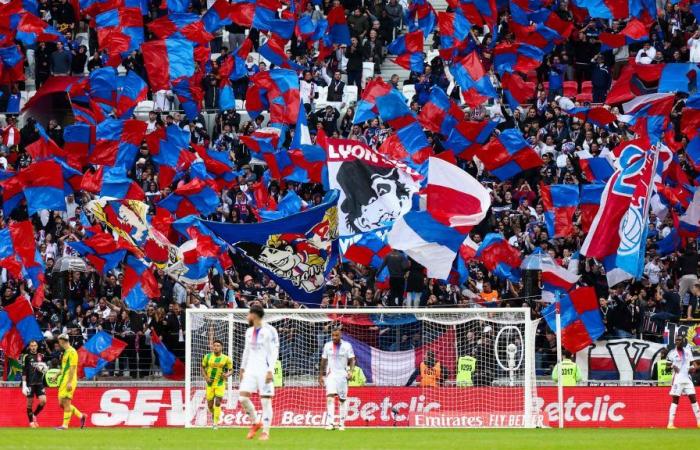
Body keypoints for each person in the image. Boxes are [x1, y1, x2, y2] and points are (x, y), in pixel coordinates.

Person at [238, 302, 279, 441]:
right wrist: (242, 368)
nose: (247, 316)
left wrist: (270, 370)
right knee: (242, 398)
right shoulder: (249, 331)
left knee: (266, 402)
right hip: (250, 369)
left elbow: (274, 352)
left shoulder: (270, 331)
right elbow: (246, 351)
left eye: (249, 313)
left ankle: (265, 432)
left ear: (254, 315)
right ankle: (256, 422)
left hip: (264, 369)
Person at [319, 327, 356, 431]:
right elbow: (323, 360)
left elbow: (352, 359)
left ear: (341, 335)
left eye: (336, 335)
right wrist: (321, 375)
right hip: (331, 375)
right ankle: (330, 423)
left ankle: (341, 423)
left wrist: (351, 371)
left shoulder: (347, 346)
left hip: (342, 375)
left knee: (342, 399)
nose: (334, 337)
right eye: (333, 335)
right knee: (330, 397)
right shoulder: (327, 345)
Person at [667, 334, 700, 429]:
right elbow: (667, 366)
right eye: (676, 340)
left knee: (693, 399)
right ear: (675, 342)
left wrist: (693, 368)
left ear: (683, 341)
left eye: (679, 340)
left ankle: (699, 422)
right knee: (675, 400)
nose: (678, 341)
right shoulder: (671, 353)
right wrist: (673, 366)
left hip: (687, 379)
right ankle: (670, 424)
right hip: (677, 379)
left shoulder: (688, 351)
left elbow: (693, 364)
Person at [55, 334, 86, 430]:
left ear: (62, 341)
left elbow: (72, 368)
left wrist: (69, 382)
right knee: (61, 403)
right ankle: (81, 416)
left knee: (66, 402)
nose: (59, 343)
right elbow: (65, 367)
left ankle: (65, 425)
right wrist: (58, 374)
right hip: (64, 379)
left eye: (59, 341)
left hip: (69, 380)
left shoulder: (72, 352)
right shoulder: (66, 352)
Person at [201, 339, 233, 429]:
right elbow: (202, 368)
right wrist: (206, 378)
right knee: (210, 405)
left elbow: (231, 371)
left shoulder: (226, 359)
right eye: (214, 345)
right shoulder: (207, 357)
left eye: (218, 346)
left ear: (221, 347)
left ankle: (215, 423)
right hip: (210, 384)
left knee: (218, 402)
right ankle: (215, 414)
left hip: (220, 384)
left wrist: (226, 375)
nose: (216, 347)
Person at [22, 340, 48, 428]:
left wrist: (44, 369)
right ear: (29, 347)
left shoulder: (41, 356)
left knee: (43, 401)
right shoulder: (26, 356)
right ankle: (31, 422)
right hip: (30, 383)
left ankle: (34, 415)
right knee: (29, 403)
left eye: (35, 345)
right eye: (31, 345)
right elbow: (24, 371)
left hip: (39, 382)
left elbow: (45, 368)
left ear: (37, 346)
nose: (33, 347)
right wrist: (24, 384)